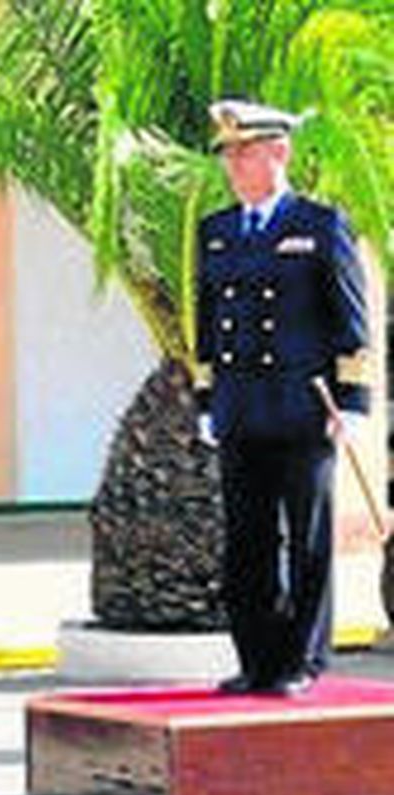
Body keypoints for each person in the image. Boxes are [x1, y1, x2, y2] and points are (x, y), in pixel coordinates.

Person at [194, 100, 371, 697]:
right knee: (246, 541)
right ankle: (258, 660)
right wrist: (206, 404)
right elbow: (207, 327)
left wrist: (352, 405)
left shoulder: (318, 225)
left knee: (307, 539)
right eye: (228, 155)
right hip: (241, 409)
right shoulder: (217, 232)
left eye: (244, 152)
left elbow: (351, 323)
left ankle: (302, 661)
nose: (234, 165)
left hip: (304, 409)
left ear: (280, 152)